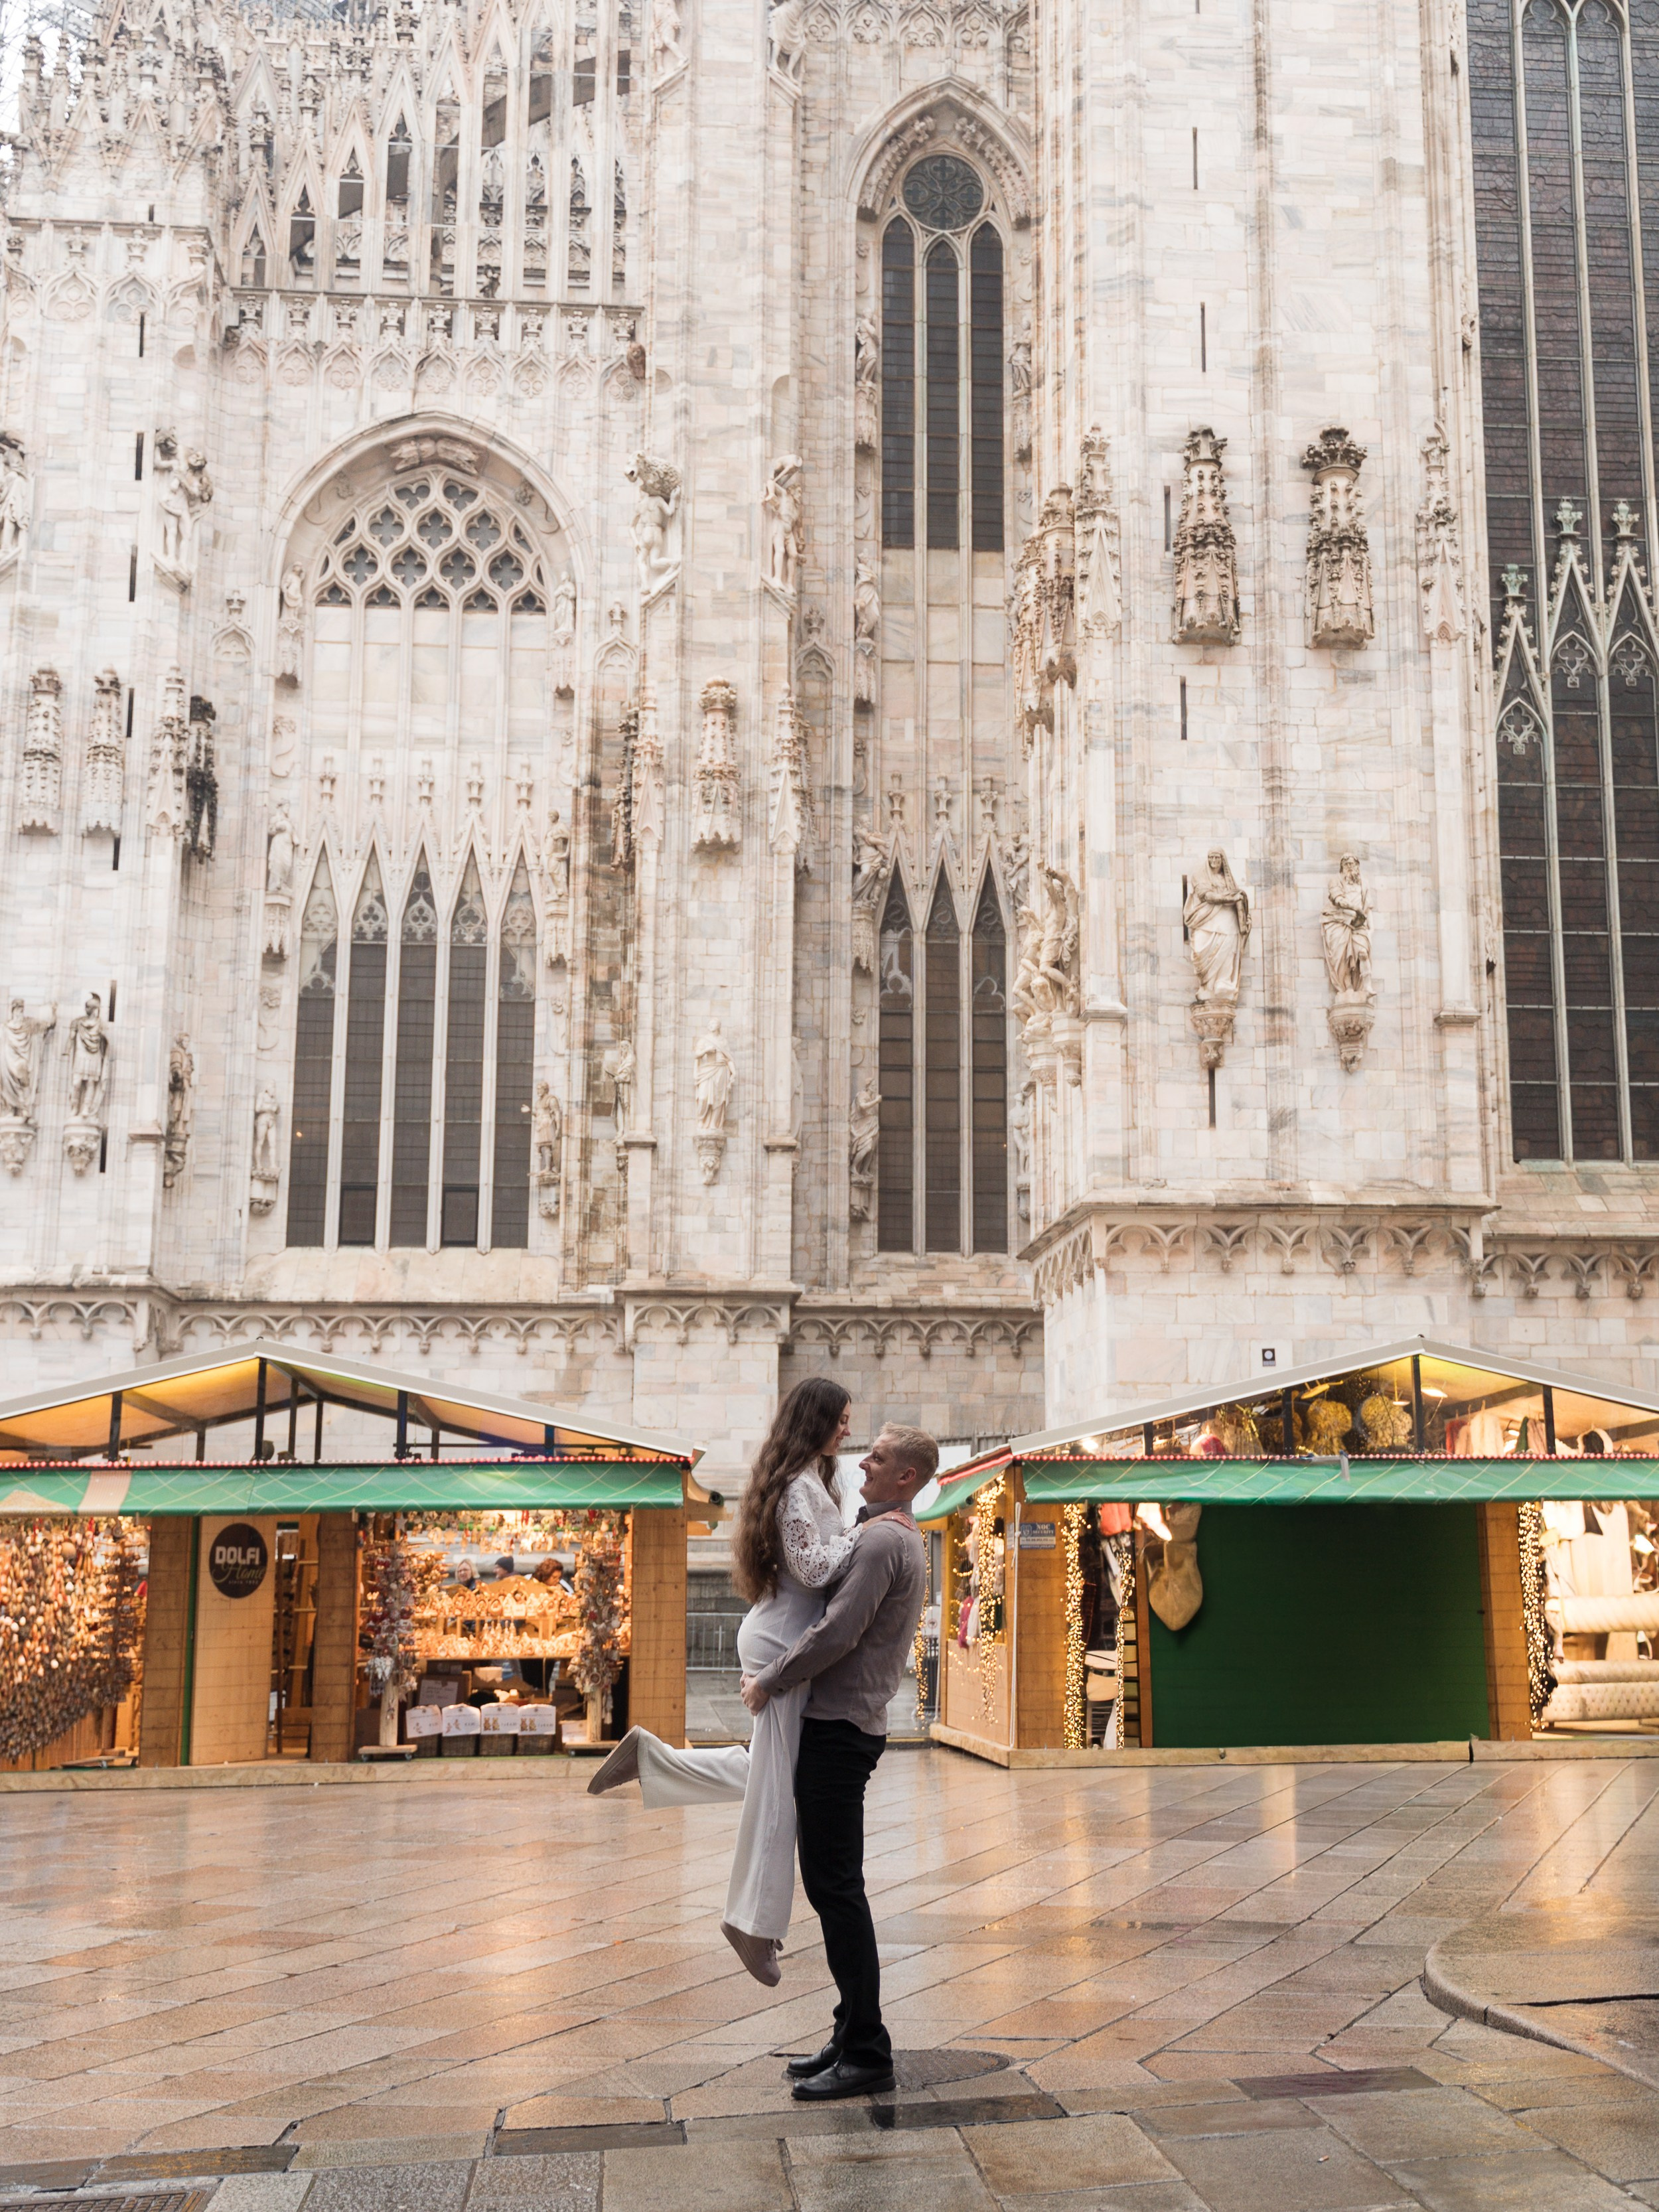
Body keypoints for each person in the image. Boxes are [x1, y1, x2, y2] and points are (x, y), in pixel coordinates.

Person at [587, 1376, 861, 1984]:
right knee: (778, 1789)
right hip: (782, 1641)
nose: (848, 1427)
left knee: (770, 1769)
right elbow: (812, 1567)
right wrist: (864, 1536)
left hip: (781, 1632)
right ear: (814, 1419)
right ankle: (750, 1922)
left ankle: (652, 1758)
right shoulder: (796, 1486)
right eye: (840, 1418)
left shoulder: (814, 1477)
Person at [744, 1422, 933, 2101]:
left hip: (839, 1727)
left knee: (837, 1890)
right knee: (832, 1888)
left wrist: (770, 1681)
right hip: (842, 1726)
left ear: (905, 1476)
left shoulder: (885, 1540)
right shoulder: (884, 1533)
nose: (863, 1467)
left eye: (877, 1460)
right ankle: (848, 2030)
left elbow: (837, 1632)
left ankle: (866, 2050)